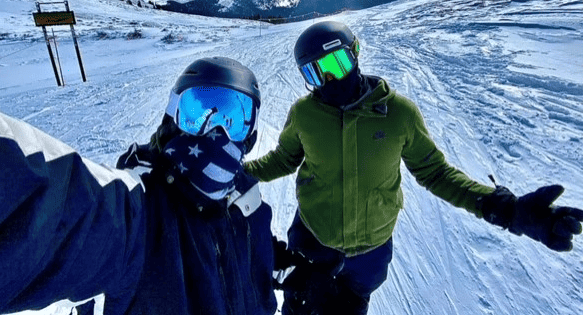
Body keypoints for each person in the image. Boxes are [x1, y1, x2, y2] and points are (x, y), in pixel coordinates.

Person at [244, 21, 583, 315]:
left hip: (371, 255)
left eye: (337, 61)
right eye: (315, 72)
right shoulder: (305, 113)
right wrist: (234, 178)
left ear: (355, 53)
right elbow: (283, 159)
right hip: (312, 242)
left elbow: (435, 173)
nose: (330, 78)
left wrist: (504, 209)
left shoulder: (400, 115)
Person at [0, 57, 283, 315]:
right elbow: (48, 208)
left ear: (250, 136)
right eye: (199, 114)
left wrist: (282, 258)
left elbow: (253, 255)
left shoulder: (247, 203)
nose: (215, 132)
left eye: (234, 119)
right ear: (172, 115)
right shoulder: (138, 214)